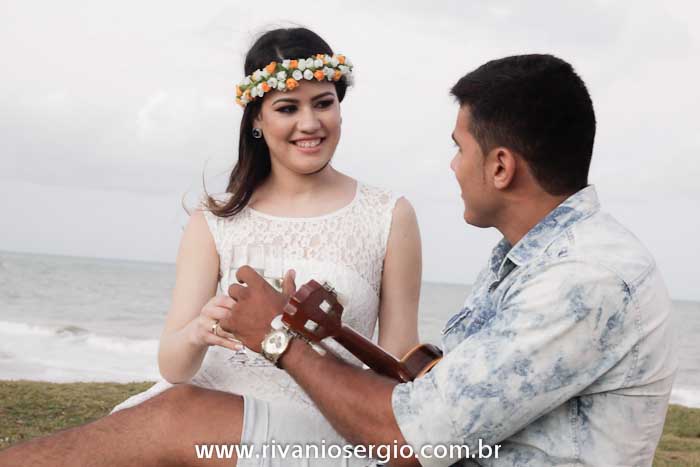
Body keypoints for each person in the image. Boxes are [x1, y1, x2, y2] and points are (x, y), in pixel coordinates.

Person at [0, 54, 676, 467]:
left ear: (501, 166)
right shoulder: (528, 259)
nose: (451, 164)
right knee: (176, 414)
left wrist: (279, 340)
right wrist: (327, 335)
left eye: (459, 146)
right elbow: (422, 383)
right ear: (257, 120)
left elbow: (412, 436)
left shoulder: (584, 278)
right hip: (392, 442)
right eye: (287, 107)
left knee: (180, 421)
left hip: (395, 449)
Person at [0, 27, 420, 467]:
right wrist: (198, 331)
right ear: (257, 119)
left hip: (313, 434)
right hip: (204, 410)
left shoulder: (388, 215)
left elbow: (395, 376)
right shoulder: (214, 221)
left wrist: (309, 341)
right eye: (287, 108)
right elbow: (173, 367)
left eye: (323, 103)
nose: (310, 123)